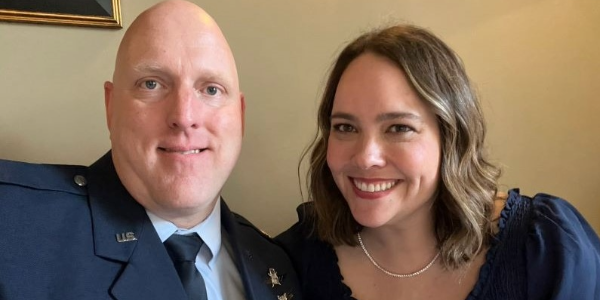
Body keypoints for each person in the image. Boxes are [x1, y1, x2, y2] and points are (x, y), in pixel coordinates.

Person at [0, 1, 301, 299]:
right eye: (152, 84)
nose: (184, 117)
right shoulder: (14, 228)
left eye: (211, 89)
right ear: (111, 107)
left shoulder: (276, 263)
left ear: (240, 116)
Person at [276, 24, 600, 300]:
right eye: (345, 127)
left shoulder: (548, 250)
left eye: (399, 128)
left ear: (451, 138)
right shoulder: (292, 262)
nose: (365, 157)